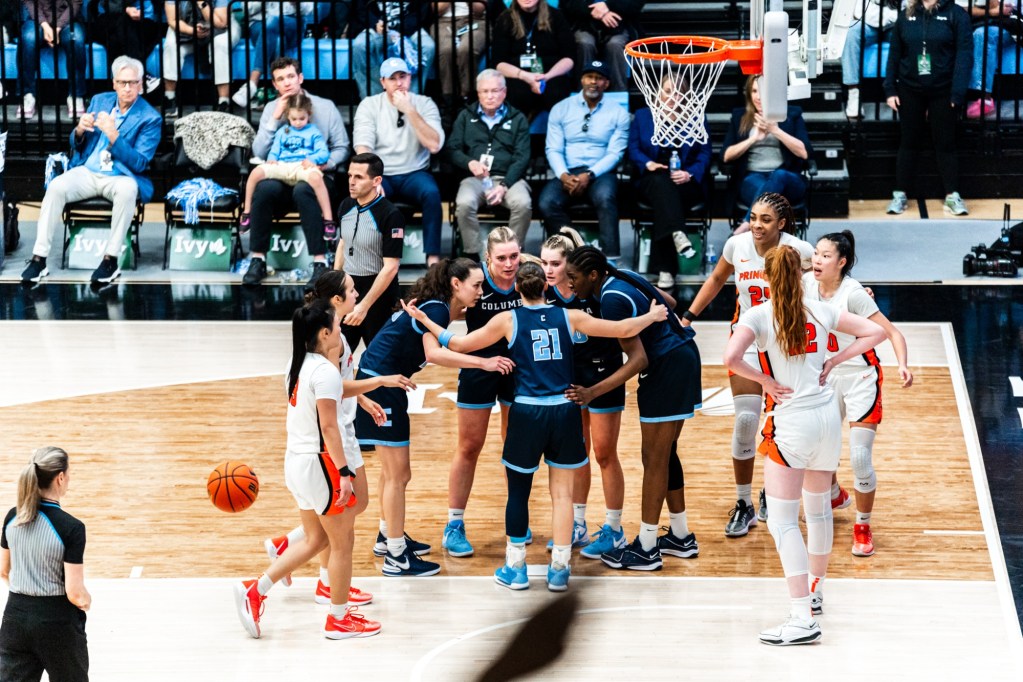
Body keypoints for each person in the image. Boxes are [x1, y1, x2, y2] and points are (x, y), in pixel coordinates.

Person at [403, 261, 668, 591]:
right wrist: (651, 317)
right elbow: (622, 329)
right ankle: (559, 568)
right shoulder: (569, 317)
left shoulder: (507, 319)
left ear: (517, 290)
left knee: (518, 492)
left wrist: (426, 320)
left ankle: (516, 567)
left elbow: (457, 344)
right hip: (564, 411)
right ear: (546, 286)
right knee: (562, 495)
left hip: (527, 412)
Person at [724, 244, 885, 646]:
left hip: (792, 420)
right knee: (817, 512)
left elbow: (730, 357)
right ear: (801, 275)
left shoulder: (759, 315)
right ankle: (815, 592)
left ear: (764, 277)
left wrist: (763, 382)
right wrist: (835, 360)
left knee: (781, 521)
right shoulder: (822, 309)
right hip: (827, 417)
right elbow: (876, 331)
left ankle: (801, 617)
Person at [261, 270, 414, 610]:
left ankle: (295, 549)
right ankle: (324, 583)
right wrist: (378, 384)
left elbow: (337, 383)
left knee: (353, 506)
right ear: (336, 300)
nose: (357, 292)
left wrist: (364, 400)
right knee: (345, 512)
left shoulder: (334, 335)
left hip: (330, 431)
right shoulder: (331, 342)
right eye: (351, 289)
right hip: (331, 435)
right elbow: (332, 386)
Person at [355, 259, 516, 576]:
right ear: (456, 284)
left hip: (383, 383)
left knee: (393, 474)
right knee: (398, 475)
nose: (481, 292)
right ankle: (397, 557)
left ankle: (388, 537)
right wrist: (483, 363)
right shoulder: (438, 309)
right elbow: (434, 353)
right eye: (477, 285)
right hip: (382, 386)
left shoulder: (436, 306)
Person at [235, 299, 382, 640]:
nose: (341, 329)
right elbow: (330, 428)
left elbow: (332, 397)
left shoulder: (299, 364)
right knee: (342, 543)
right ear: (324, 333)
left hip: (296, 462)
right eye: (337, 326)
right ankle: (339, 619)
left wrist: (376, 384)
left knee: (316, 538)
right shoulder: (326, 371)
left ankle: (254, 590)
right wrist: (344, 473)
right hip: (320, 465)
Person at [680, 192, 814, 538]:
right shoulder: (736, 246)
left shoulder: (799, 250)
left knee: (781, 424)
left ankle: (773, 490)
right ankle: (743, 503)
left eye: (765, 219)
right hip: (748, 340)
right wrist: (689, 316)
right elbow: (714, 280)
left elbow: (825, 282)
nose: (756, 224)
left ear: (781, 224)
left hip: (788, 345)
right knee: (745, 421)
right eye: (753, 217)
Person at [565, 246, 703, 570]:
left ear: (593, 275)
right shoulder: (623, 275)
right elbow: (668, 303)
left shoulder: (611, 299)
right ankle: (680, 536)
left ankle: (647, 546)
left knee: (653, 459)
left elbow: (638, 358)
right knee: (665, 453)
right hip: (683, 354)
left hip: (666, 367)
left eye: (574, 277)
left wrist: (593, 392)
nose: (571, 285)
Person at [803, 231, 914, 557]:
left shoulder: (853, 293)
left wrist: (903, 365)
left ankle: (862, 524)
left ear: (842, 262)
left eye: (825, 256)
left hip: (860, 377)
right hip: (823, 376)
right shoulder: (806, 283)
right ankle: (835, 493)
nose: (818, 260)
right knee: (817, 449)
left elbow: (892, 333)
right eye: (816, 254)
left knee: (860, 457)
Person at [541, 229, 647, 560]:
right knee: (577, 453)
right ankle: (578, 522)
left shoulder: (595, 292)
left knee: (604, 453)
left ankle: (614, 529)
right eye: (544, 263)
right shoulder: (546, 295)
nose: (549, 270)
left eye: (556, 264)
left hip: (602, 378)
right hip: (570, 383)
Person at [20, 56, 162, 287]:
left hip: (120, 176)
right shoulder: (99, 100)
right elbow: (76, 145)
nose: (127, 88)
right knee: (56, 186)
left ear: (141, 85)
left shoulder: (150, 118)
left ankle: (110, 259)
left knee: (128, 190)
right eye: (122, 82)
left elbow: (140, 163)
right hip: (88, 170)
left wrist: (113, 135)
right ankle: (39, 258)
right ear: (114, 83)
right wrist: (79, 130)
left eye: (133, 83)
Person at [440, 227, 522, 558]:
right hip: (478, 368)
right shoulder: (476, 283)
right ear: (488, 258)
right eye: (501, 258)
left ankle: (517, 516)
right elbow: (444, 316)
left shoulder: (529, 277)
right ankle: (454, 525)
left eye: (514, 256)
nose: (509, 264)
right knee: (469, 446)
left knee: (515, 448)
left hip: (518, 370)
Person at [243, 57, 352, 288]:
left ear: (300, 78)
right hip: (282, 174)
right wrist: (275, 117)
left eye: (291, 76)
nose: (287, 82)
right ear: (274, 85)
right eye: (280, 79)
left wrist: (323, 165)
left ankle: (319, 262)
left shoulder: (325, 106)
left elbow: (342, 147)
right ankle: (257, 259)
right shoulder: (272, 109)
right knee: (263, 189)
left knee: (304, 190)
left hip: (316, 177)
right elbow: (259, 150)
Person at [0, 447, 90, 681]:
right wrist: (86, 601)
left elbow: (3, 570)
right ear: (60, 478)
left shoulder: (12, 517)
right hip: (56, 621)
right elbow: (74, 592)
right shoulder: (71, 527)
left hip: (15, 617)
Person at [352, 57, 445, 266]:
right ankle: (369, 256)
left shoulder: (424, 103)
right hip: (381, 173)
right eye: (392, 78)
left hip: (415, 171)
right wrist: (372, 180)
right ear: (383, 82)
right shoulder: (369, 105)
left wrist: (410, 110)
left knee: (431, 193)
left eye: (402, 76)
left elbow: (434, 145)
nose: (398, 83)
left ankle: (433, 258)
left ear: (410, 78)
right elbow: (362, 147)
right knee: (365, 193)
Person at [883, 0, 972, 216]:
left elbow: (964, 55)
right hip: (909, 88)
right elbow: (895, 53)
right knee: (908, 142)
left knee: (945, 143)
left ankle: (952, 196)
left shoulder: (956, 15)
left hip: (943, 90)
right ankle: (900, 195)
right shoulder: (906, 16)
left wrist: (958, 91)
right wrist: (890, 89)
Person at [539, 60, 630, 259]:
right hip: (567, 171)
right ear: (581, 80)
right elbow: (553, 148)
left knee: (606, 198)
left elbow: (616, 153)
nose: (593, 82)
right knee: (546, 202)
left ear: (607, 83)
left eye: (599, 78)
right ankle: (576, 252)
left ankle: (611, 259)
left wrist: (589, 174)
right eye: (589, 77)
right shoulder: (561, 109)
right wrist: (563, 175)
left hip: (600, 172)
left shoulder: (618, 113)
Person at [629, 84, 711, 290]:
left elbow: (705, 153)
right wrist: (648, 164)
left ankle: (666, 269)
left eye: (678, 92)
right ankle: (677, 234)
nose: (672, 96)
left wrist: (689, 173)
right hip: (652, 177)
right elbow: (633, 148)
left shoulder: (696, 116)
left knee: (665, 202)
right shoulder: (642, 116)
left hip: (685, 181)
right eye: (667, 90)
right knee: (661, 185)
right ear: (658, 93)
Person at [445, 69, 532, 261]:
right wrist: (470, 163)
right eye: (485, 91)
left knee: (523, 204)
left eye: (495, 91)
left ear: (505, 92)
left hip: (508, 178)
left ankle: (513, 253)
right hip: (475, 178)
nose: (490, 96)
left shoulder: (517, 118)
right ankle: (473, 255)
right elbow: (452, 149)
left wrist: (504, 185)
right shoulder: (465, 116)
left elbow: (522, 157)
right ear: (478, 93)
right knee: (464, 203)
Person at [722, 75, 812, 234]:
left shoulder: (792, 114)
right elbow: (726, 155)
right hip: (753, 177)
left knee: (778, 176)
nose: (758, 96)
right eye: (754, 91)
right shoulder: (739, 117)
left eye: (762, 91)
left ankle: (746, 226)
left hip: (788, 178)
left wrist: (775, 130)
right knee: (768, 193)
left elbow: (804, 153)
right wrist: (753, 139)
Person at [334, 152, 404, 351]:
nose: (351, 182)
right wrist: (336, 282)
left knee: (380, 360)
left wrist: (364, 307)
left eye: (359, 177)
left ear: (377, 181)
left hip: (379, 295)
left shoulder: (391, 215)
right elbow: (343, 243)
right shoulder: (346, 205)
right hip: (349, 289)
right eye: (349, 176)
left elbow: (391, 268)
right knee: (337, 354)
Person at [241, 93, 335, 239]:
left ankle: (328, 220)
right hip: (283, 166)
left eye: (302, 118)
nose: (298, 122)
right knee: (255, 173)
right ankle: (247, 212)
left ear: (308, 115)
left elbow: (323, 152)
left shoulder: (313, 132)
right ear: (287, 116)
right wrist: (272, 158)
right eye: (294, 119)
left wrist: (313, 159)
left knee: (317, 179)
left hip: (301, 166)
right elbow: (275, 150)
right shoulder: (282, 131)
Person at [491, 0, 575, 117]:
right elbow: (499, 63)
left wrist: (546, 77)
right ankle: (518, 131)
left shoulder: (556, 16)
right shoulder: (505, 19)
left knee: (555, 93)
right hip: (517, 74)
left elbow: (569, 58)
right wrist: (526, 76)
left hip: (551, 73)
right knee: (518, 94)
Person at [162, 0, 243, 116]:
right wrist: (192, 31)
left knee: (219, 44)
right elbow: (172, 20)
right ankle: (169, 97)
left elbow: (221, 22)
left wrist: (202, 3)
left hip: (220, 25)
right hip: (186, 27)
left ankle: (224, 101)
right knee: (171, 45)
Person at [348, 0, 437, 100]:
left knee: (428, 46)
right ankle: (376, 99)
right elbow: (360, 10)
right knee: (359, 46)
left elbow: (422, 12)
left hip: (410, 29)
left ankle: (410, 98)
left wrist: (402, 28)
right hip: (377, 29)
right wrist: (375, 24)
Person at [18, 0, 87, 118]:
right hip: (37, 22)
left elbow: (75, 4)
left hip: (67, 22)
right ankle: (28, 94)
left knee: (76, 39)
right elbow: (29, 3)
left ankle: (76, 95)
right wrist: (45, 26)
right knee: (28, 38)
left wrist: (58, 27)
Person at [232, 1, 308, 108]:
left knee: (273, 20)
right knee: (278, 40)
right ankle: (280, 97)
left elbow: (309, 9)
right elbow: (247, 9)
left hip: (291, 23)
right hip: (259, 24)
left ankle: (253, 82)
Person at [561, 0, 643, 92]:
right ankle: (582, 92)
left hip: (619, 25)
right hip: (584, 23)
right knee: (584, 43)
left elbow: (636, 3)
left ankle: (618, 93)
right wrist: (595, 10)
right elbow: (568, 4)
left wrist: (607, 6)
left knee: (615, 45)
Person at [86, 1, 165, 94]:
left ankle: (126, 80)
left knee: (115, 38)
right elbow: (106, 5)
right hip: (108, 20)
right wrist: (125, 10)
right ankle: (140, 76)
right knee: (122, 25)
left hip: (142, 21)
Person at [842, 0, 899, 118]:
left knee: (911, 36)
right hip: (868, 21)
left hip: (896, 23)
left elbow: (907, 8)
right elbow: (858, 9)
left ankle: (909, 93)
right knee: (851, 34)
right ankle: (854, 93)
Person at [963, 0, 1017, 119]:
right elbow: (960, 9)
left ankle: (984, 98)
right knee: (981, 34)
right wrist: (992, 11)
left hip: (1015, 25)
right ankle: (983, 98)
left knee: (983, 34)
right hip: (998, 25)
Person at [435, 1, 489, 106]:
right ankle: (449, 99)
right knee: (446, 50)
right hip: (444, 22)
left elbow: (479, 10)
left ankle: (469, 97)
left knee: (466, 49)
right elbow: (437, 10)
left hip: (476, 20)